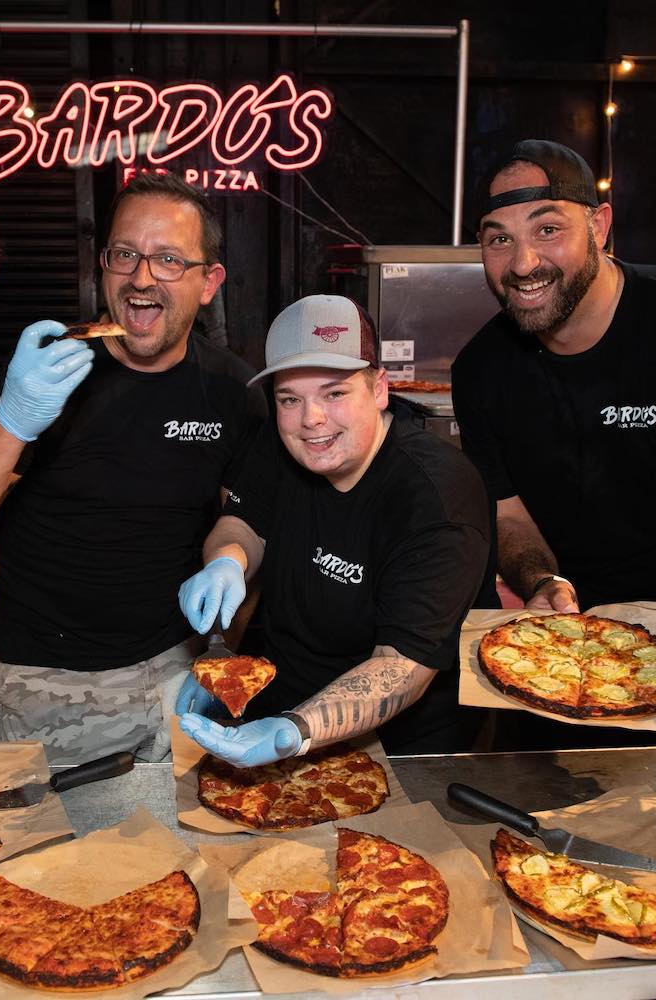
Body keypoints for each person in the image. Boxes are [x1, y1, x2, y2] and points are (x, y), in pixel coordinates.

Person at [0, 172, 264, 764]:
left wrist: (220, 648)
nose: (142, 277)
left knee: (190, 851)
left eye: (168, 260)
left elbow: (248, 518)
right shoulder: (47, 374)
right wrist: (15, 419)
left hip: (176, 670)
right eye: (125, 254)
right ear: (104, 265)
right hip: (50, 684)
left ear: (209, 282)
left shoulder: (231, 390)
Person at [451, 138, 656, 728]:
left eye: (547, 229)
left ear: (600, 225)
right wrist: (541, 580)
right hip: (562, 643)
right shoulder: (480, 369)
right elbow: (506, 512)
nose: (524, 263)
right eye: (499, 238)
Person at [175, 294, 494, 767]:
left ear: (380, 388)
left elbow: (400, 667)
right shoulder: (281, 442)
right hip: (278, 703)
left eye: (335, 393)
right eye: (290, 398)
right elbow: (243, 521)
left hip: (403, 748)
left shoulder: (436, 494)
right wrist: (228, 560)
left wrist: (297, 731)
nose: (311, 419)